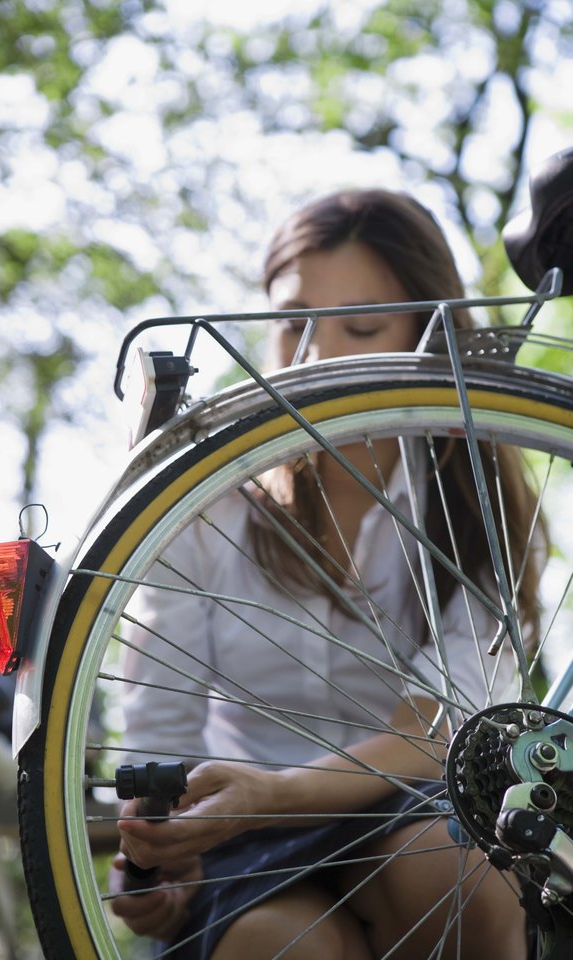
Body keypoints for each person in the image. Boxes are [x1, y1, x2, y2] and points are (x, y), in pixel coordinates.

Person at [110, 189, 543, 959]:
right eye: (292, 321)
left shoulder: (478, 498)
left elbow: (438, 727)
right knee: (282, 948)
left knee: (456, 881)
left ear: (424, 331)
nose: (317, 356)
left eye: (363, 324)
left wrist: (272, 797)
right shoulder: (203, 504)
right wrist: (157, 855)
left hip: (411, 811)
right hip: (236, 839)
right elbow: (159, 737)